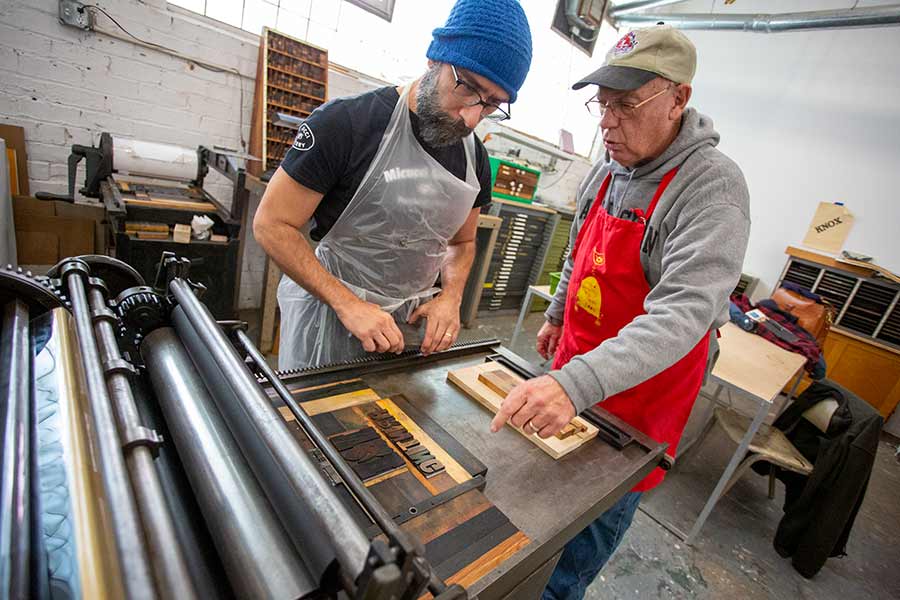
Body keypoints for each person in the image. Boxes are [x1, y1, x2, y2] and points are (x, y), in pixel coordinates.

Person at [488, 26, 751, 599]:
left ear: (678, 99)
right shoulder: (606, 169)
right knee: (535, 508)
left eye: (626, 106)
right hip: (578, 369)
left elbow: (683, 314)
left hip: (643, 393)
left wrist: (575, 381)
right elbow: (581, 246)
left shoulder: (712, 188)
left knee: (588, 528)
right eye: (602, 105)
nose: (607, 122)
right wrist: (558, 313)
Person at [254, 0, 532, 370]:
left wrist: (451, 297)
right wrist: (347, 303)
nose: (471, 117)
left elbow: (462, 243)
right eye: (467, 88)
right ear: (435, 58)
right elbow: (272, 224)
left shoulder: (475, 161)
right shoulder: (344, 124)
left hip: (409, 331)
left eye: (493, 105)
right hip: (330, 320)